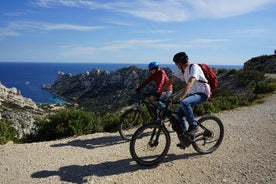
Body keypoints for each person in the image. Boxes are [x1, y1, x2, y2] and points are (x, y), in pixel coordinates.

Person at [162, 52, 211, 141]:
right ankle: (186, 138)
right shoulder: (182, 70)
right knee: (179, 115)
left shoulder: (194, 67)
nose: (176, 65)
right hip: (192, 94)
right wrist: (158, 92)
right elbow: (170, 81)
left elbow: (190, 82)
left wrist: (180, 98)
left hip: (203, 93)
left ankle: (193, 126)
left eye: (176, 63)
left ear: (180, 63)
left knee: (184, 102)